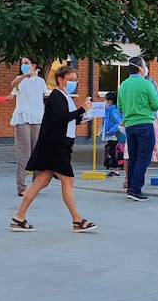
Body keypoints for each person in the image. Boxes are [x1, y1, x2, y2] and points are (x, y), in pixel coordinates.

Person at [9, 64, 96, 233]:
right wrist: (81, 110)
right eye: (70, 80)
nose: (73, 83)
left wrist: (82, 116)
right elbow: (60, 119)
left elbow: (67, 120)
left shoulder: (65, 97)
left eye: (75, 80)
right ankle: (77, 220)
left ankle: (18, 217)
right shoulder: (56, 96)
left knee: (41, 181)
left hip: (58, 144)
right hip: (56, 146)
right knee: (68, 181)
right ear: (60, 79)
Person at [118, 55, 158, 201]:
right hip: (145, 124)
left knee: (133, 157)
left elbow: (119, 107)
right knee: (143, 157)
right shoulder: (146, 84)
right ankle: (136, 189)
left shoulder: (123, 85)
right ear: (140, 68)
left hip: (130, 125)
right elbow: (156, 105)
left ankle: (130, 187)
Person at [9, 58, 49, 196]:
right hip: (22, 119)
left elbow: (45, 95)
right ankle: (21, 187)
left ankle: (35, 185)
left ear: (34, 65)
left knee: (37, 153)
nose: (23, 65)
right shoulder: (20, 80)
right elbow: (12, 84)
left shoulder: (40, 81)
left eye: (26, 63)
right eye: (22, 63)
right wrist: (25, 75)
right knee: (24, 154)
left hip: (37, 119)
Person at [101, 88, 124, 175]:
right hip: (110, 134)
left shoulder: (113, 111)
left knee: (113, 151)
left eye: (106, 100)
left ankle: (115, 168)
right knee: (112, 150)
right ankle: (115, 168)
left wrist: (110, 131)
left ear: (110, 101)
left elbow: (118, 123)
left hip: (113, 134)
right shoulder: (109, 110)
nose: (105, 102)